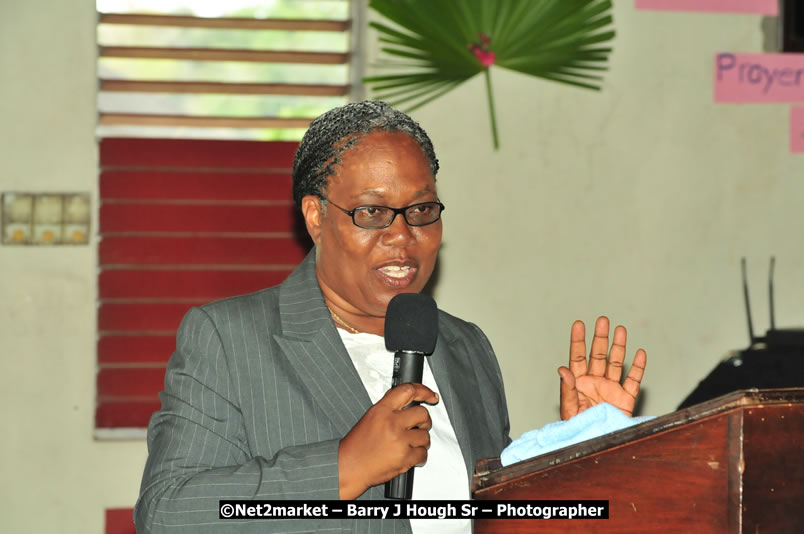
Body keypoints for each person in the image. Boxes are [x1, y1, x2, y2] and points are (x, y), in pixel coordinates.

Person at [134, 101, 647, 533]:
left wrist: (577, 453)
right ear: (316, 216)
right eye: (372, 213)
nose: (402, 237)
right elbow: (170, 512)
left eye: (421, 211)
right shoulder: (231, 339)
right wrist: (342, 469)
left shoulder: (463, 345)